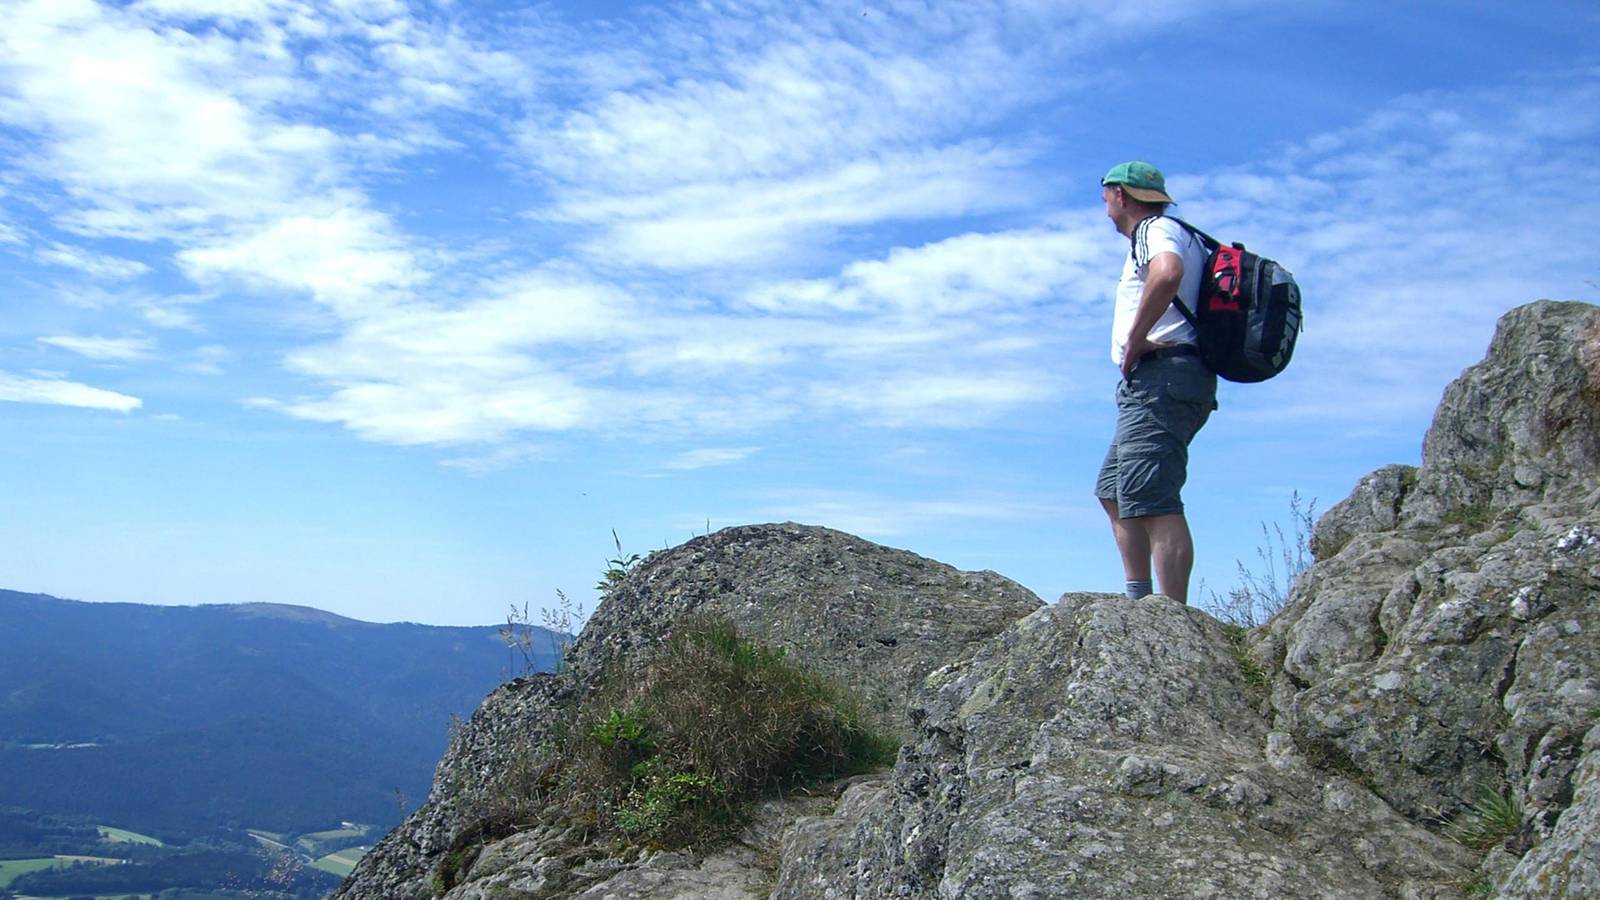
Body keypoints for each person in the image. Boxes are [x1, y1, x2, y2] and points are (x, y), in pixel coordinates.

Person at [1093, 160, 1217, 604]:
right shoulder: (1172, 234)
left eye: (1105, 195)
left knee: (1153, 495)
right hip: (1162, 379)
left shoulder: (1155, 231)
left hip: (1164, 375)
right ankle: (1139, 598)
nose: (1105, 205)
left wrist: (1136, 338)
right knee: (1114, 489)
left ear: (1121, 195)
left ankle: (1171, 616)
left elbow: (1166, 274)